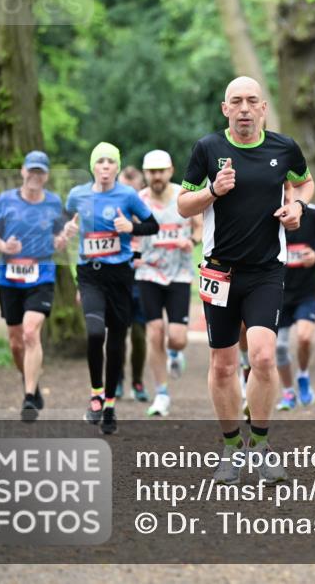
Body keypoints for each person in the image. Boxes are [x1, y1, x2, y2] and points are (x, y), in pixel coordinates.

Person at [177, 76, 314, 484]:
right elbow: (184, 205)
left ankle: (263, 445)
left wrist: (299, 206)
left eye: (251, 101)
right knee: (222, 366)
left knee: (264, 356)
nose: (243, 108)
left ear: (263, 107)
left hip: (265, 270)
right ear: (225, 109)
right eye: (235, 101)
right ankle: (232, 448)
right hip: (219, 269)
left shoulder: (283, 148)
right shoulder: (208, 149)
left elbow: (305, 181)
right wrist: (213, 193)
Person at [64, 143, 159, 435]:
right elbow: (66, 220)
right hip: (90, 274)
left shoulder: (128, 195)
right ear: (93, 166)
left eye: (110, 162)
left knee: (117, 340)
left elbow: (152, 225)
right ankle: (95, 394)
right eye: (100, 161)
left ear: (117, 168)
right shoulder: (77, 195)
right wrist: (67, 230)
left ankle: (109, 405)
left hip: (120, 276)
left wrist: (131, 228)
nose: (105, 166)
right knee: (94, 333)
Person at [0, 151, 74, 421]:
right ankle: (30, 382)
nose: (35, 176)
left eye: (40, 172)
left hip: (41, 274)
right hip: (9, 277)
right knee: (15, 344)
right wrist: (4, 246)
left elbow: (59, 238)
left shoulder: (53, 203)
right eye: (31, 171)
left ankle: (28, 399)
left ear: (46, 176)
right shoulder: (6, 200)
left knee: (30, 332)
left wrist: (63, 239)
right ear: (23, 172)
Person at [136, 149, 202, 417]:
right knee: (154, 332)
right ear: (145, 173)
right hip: (148, 273)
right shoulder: (137, 200)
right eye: (151, 172)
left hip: (178, 274)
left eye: (161, 171)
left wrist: (192, 241)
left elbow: (199, 227)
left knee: (176, 338)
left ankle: (175, 354)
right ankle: (161, 393)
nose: (156, 177)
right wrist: (135, 254)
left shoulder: (182, 197)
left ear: (170, 171)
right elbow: (128, 232)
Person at [274, 202, 315, 410]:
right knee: (280, 346)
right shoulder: (269, 210)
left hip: (307, 289)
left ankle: (303, 375)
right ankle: (288, 392)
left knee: (304, 337)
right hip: (277, 290)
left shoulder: (314, 214)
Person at [118, 165, 149, 402]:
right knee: (117, 333)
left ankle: (137, 381)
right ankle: (117, 380)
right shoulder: (111, 211)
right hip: (118, 279)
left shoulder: (147, 212)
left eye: (132, 189)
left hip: (144, 280)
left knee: (139, 335)